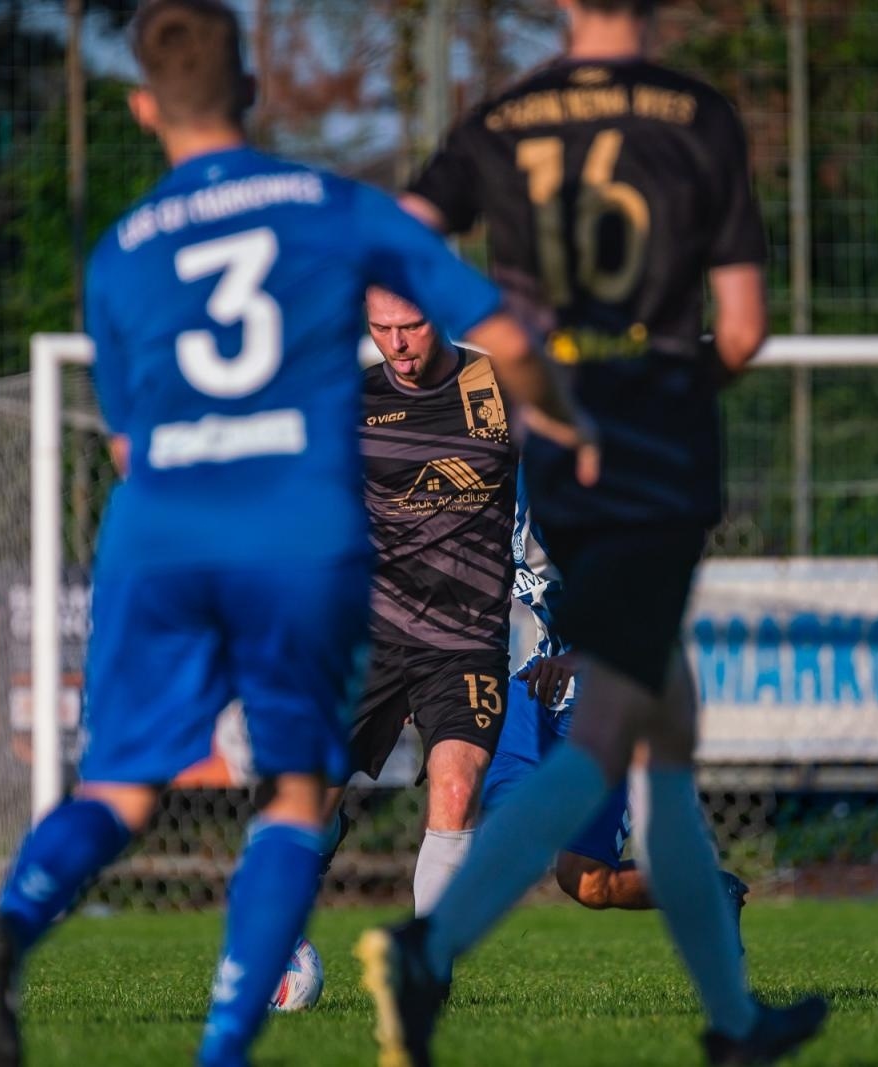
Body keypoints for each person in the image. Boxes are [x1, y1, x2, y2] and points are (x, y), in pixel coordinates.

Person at [0, 3, 586, 1066]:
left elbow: (121, 444)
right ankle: (222, 1048)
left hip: (156, 530)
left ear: (142, 107)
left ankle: (10, 921)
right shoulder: (333, 208)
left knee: (116, 785)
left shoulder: (119, 253)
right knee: (298, 790)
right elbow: (511, 335)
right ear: (250, 90)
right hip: (291, 536)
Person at [357, 2, 828, 1065]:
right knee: (639, 723)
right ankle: (431, 949)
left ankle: (736, 1020)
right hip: (653, 452)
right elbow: (744, 329)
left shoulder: (505, 119)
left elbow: (397, 235)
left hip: (557, 444)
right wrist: (670, 380)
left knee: (658, 724)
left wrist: (524, 357)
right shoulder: (698, 118)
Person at [322, 287, 518, 916]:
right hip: (368, 634)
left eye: (412, 327)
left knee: (457, 789)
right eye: (382, 329)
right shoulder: (348, 403)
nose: (398, 346)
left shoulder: (502, 388)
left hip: (466, 638)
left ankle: (424, 969)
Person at [488, 473, 751, 917]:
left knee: (587, 883)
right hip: (538, 692)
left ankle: (705, 893)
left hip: (614, 700)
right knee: (459, 803)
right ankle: (423, 976)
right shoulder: (506, 475)